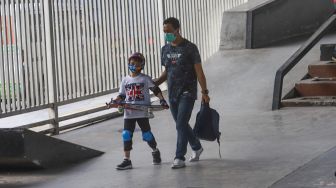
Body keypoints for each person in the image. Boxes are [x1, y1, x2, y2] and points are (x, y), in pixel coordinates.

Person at [155, 17, 211, 169]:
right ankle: (197, 147)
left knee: (180, 124)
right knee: (182, 125)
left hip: (187, 92)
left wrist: (205, 92)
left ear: (177, 29)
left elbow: (199, 72)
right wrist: (153, 84)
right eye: (164, 32)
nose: (166, 34)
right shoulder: (165, 49)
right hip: (172, 94)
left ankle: (179, 157)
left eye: (169, 31)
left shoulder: (190, 47)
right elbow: (167, 72)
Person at [109, 52, 169, 170]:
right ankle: (127, 160)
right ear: (128, 64)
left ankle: (155, 151)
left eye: (137, 64)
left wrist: (162, 100)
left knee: (147, 134)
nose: (134, 65)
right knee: (126, 134)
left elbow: (155, 89)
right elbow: (121, 95)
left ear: (142, 65)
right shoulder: (125, 80)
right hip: (129, 112)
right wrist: (116, 101)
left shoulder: (145, 78)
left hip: (143, 111)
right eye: (132, 63)